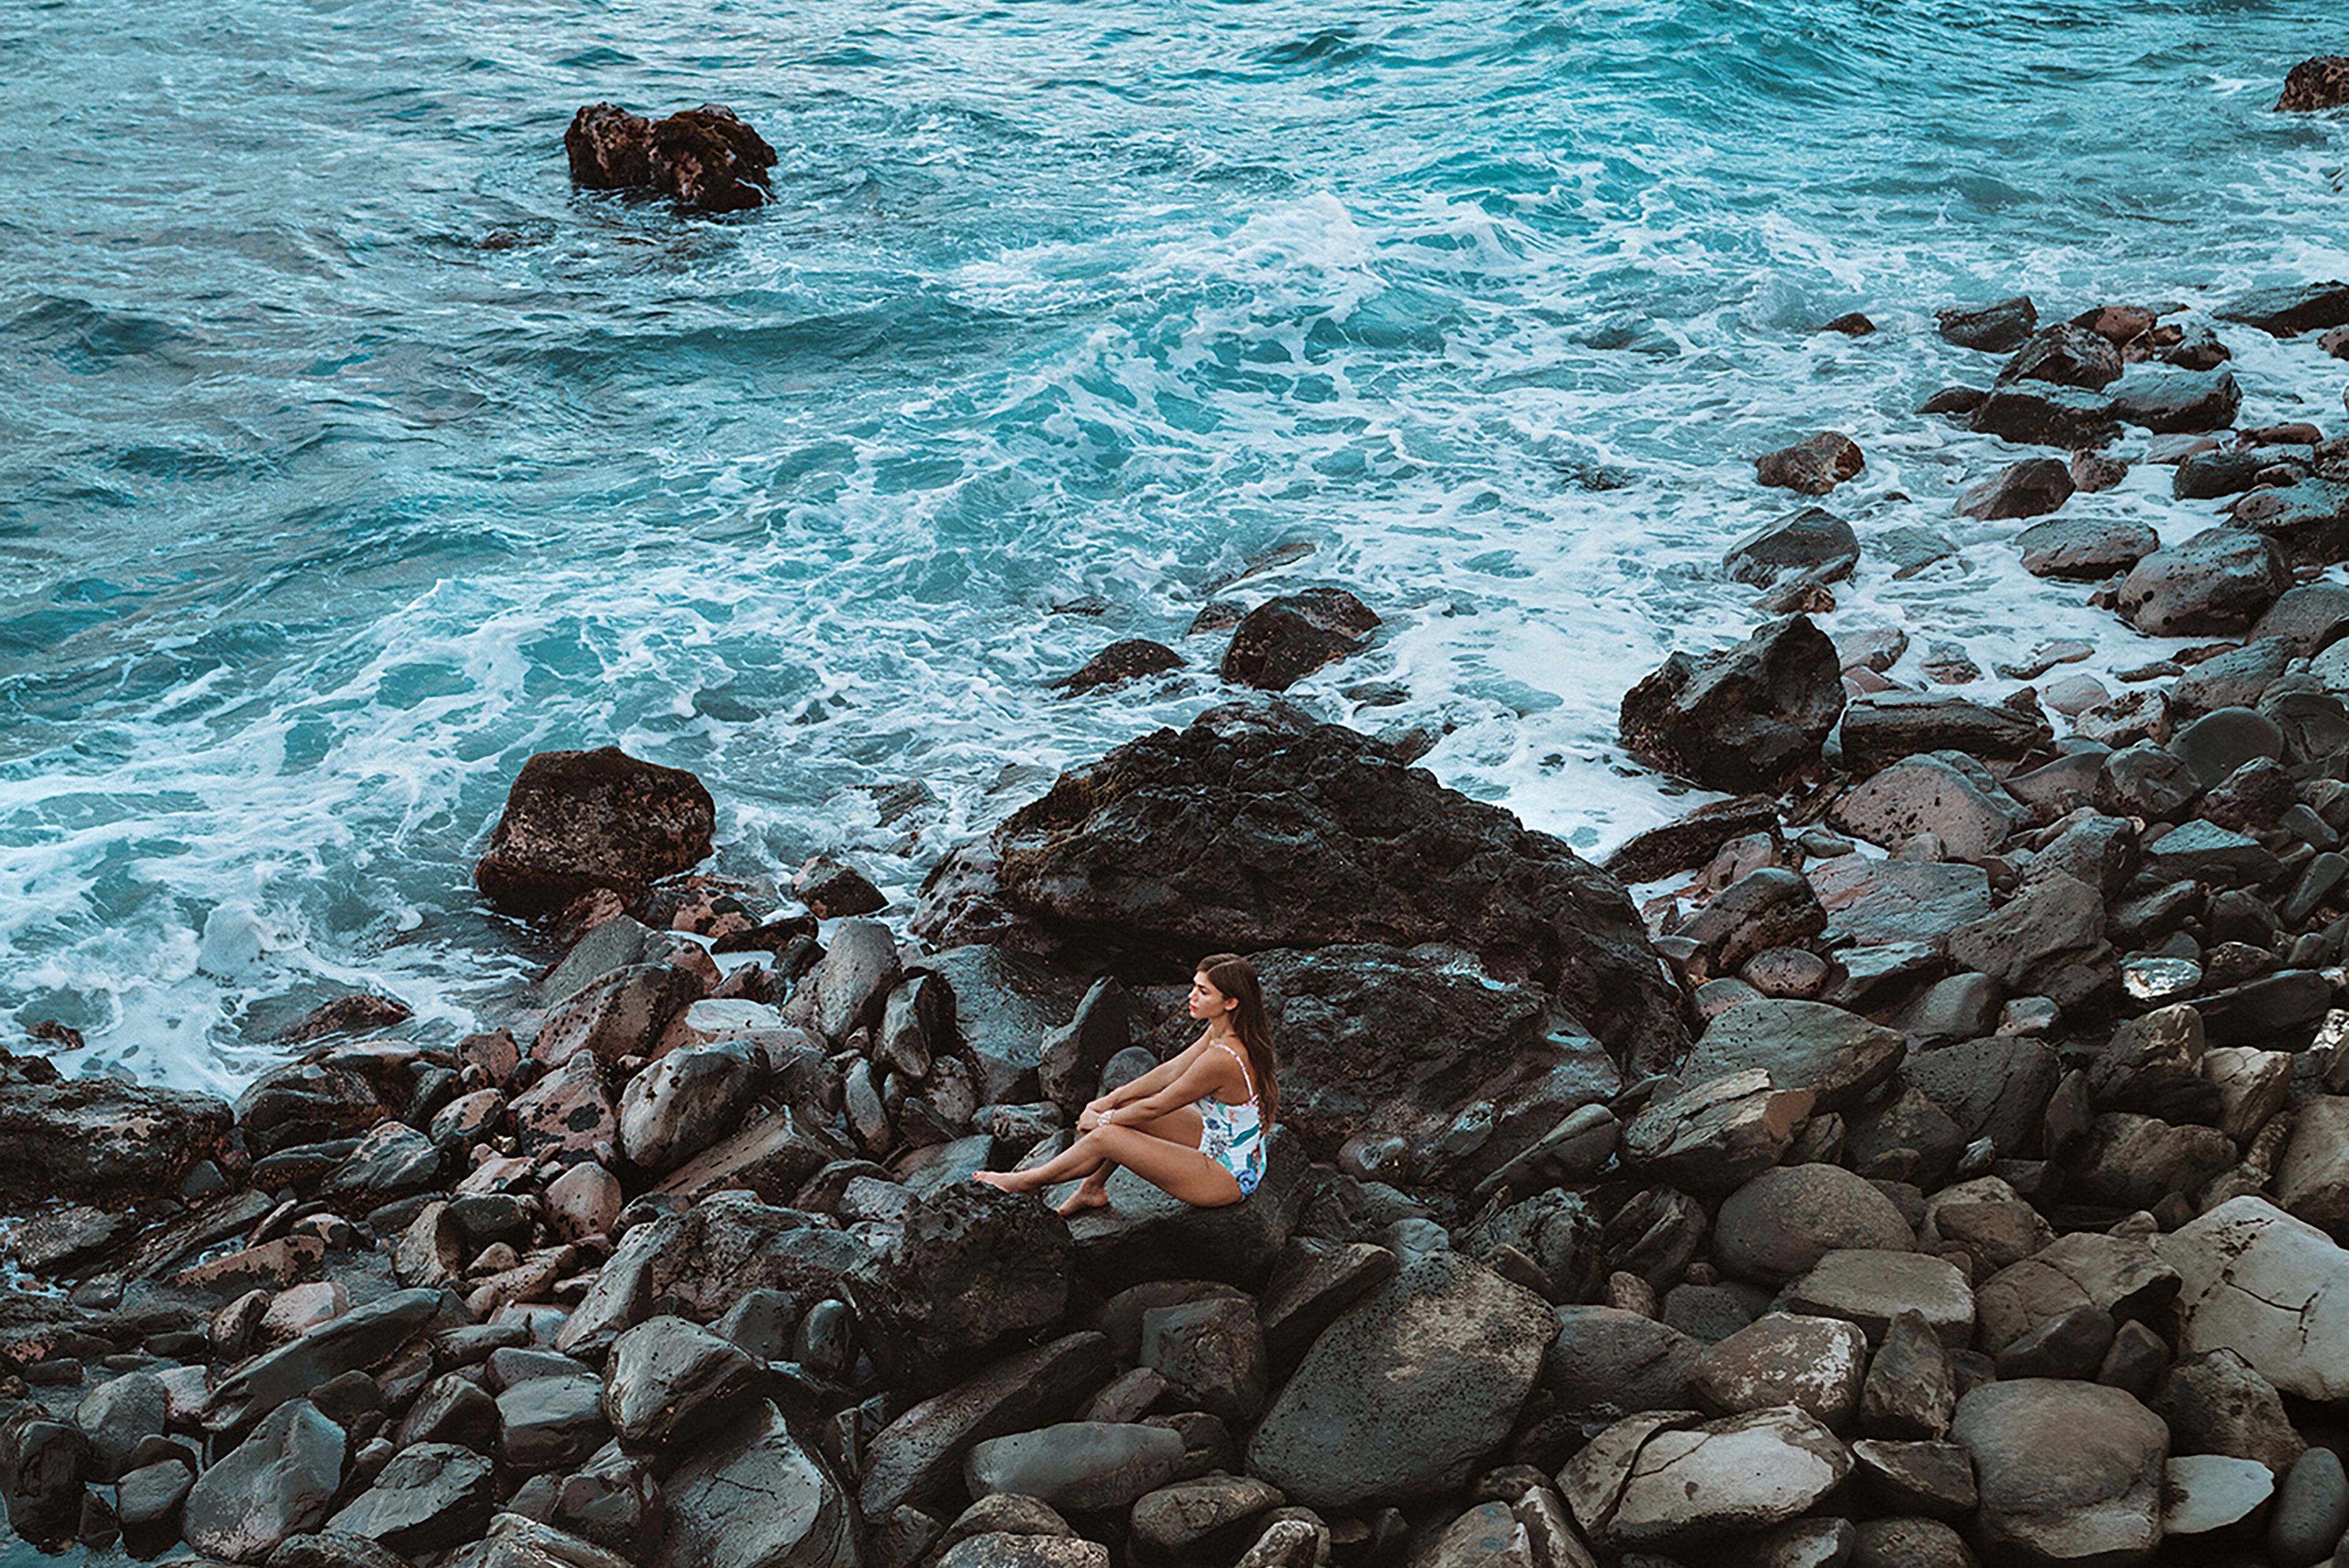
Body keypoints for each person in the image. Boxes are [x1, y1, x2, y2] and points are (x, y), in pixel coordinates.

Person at [975, 953, 1278, 1213]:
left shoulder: (1223, 1059)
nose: (1191, 996)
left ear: (1231, 1002)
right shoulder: (1224, 1032)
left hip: (1229, 1176)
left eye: (1203, 991)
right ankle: (1092, 1189)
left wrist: (1102, 1120)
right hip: (1219, 1140)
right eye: (1194, 987)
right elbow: (1171, 1071)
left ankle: (1024, 1182)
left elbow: (1160, 1105)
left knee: (1106, 1136)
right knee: (1125, 1109)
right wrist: (1111, 1100)